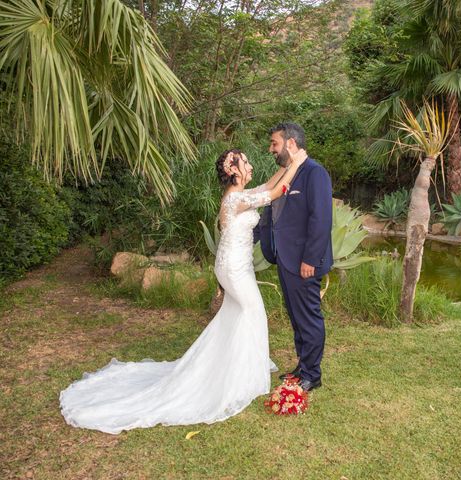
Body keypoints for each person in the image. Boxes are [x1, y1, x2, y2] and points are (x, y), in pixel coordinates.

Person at [59, 147, 305, 434]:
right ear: (234, 171)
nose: (251, 166)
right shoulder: (235, 199)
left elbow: (266, 186)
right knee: (253, 313)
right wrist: (296, 164)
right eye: (246, 163)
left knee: (235, 317)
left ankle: (236, 368)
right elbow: (273, 194)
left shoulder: (238, 196)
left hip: (236, 267)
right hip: (234, 270)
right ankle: (241, 377)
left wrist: (285, 165)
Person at [258, 123, 333, 392]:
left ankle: (313, 374)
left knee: (309, 317)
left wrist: (310, 260)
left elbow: (321, 219)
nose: (271, 149)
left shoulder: (315, 173)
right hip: (284, 258)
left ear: (290, 143)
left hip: (304, 262)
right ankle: (302, 366)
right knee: (296, 317)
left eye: (274, 143)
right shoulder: (284, 174)